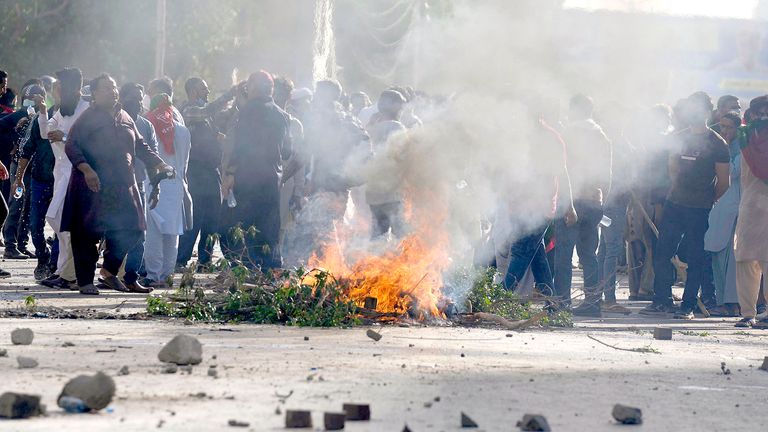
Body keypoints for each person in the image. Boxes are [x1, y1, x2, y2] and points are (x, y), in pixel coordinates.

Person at [62, 73, 172, 295]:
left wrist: (159, 164)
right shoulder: (88, 118)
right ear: (94, 94)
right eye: (106, 88)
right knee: (87, 234)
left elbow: (141, 145)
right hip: (92, 186)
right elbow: (72, 146)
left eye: (113, 87)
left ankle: (109, 271)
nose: (112, 91)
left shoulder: (125, 117)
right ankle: (85, 282)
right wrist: (86, 169)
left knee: (134, 228)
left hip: (123, 186)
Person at [640, 94, 730, 319]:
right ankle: (662, 300)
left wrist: (709, 200)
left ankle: (688, 305)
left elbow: (724, 182)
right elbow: (672, 168)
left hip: (699, 209)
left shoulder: (718, 143)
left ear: (708, 113)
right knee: (662, 252)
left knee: (695, 257)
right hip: (675, 205)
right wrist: (672, 193)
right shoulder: (678, 138)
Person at [223, 71, 291, 270]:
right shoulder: (282, 115)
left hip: (247, 178)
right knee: (268, 228)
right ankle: (270, 271)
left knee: (242, 225)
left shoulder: (246, 112)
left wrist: (230, 174)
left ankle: (247, 269)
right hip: (271, 180)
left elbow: (240, 147)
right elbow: (288, 152)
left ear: (252, 88)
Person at [553, 94, 612, 315]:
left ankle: (561, 303)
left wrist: (566, 202)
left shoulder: (568, 134)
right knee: (589, 254)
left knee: (564, 256)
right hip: (594, 201)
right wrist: (601, 200)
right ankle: (593, 303)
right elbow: (608, 175)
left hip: (573, 200)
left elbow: (563, 170)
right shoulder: (602, 136)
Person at [37, 68, 89, 290]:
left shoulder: (86, 110)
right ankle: (64, 272)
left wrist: (65, 137)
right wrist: (42, 112)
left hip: (76, 174)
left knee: (60, 220)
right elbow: (44, 133)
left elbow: (90, 143)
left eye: (59, 86)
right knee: (58, 222)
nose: (55, 90)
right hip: (60, 174)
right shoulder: (61, 110)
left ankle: (71, 274)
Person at [176, 77, 235, 270]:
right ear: (193, 90)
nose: (208, 93)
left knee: (212, 218)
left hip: (211, 172)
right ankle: (181, 259)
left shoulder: (207, 118)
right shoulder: (189, 110)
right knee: (195, 216)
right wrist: (230, 94)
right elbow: (208, 110)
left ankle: (205, 260)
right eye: (204, 89)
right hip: (196, 172)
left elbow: (216, 126)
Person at [143, 94, 192, 287]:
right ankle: (167, 276)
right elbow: (185, 162)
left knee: (153, 233)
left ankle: (153, 275)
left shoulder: (149, 126)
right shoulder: (183, 131)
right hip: (175, 184)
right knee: (172, 233)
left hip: (154, 184)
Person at [12, 84, 56, 280]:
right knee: (35, 224)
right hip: (40, 178)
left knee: (60, 226)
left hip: (63, 180)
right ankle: (42, 256)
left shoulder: (71, 120)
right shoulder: (40, 120)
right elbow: (27, 150)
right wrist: (19, 178)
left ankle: (55, 264)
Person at [119, 82, 157, 292]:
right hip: (112, 185)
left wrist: (157, 187)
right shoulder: (111, 121)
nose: (137, 102)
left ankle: (131, 277)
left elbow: (152, 157)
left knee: (137, 233)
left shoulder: (146, 125)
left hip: (138, 186)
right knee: (110, 231)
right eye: (132, 97)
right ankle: (104, 274)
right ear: (122, 99)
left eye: (140, 98)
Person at [733, 96, 768, 327]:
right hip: (751, 204)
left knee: (757, 259)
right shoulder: (745, 137)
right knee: (746, 259)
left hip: (753, 204)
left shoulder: (745, 138)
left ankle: (752, 313)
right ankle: (748, 313)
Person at [704, 111, 742, 317]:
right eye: (722, 127)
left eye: (729, 127)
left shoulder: (741, 149)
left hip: (735, 206)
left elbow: (732, 173)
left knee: (733, 258)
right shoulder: (718, 146)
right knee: (717, 254)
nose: (725, 131)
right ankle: (722, 301)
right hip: (719, 207)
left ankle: (733, 302)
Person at [364, 89, 408, 238]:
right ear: (394, 106)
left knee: (378, 234)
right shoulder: (397, 127)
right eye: (401, 104)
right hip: (393, 190)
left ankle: (373, 260)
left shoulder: (371, 127)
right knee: (401, 234)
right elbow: (403, 157)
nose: (403, 108)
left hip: (374, 188)